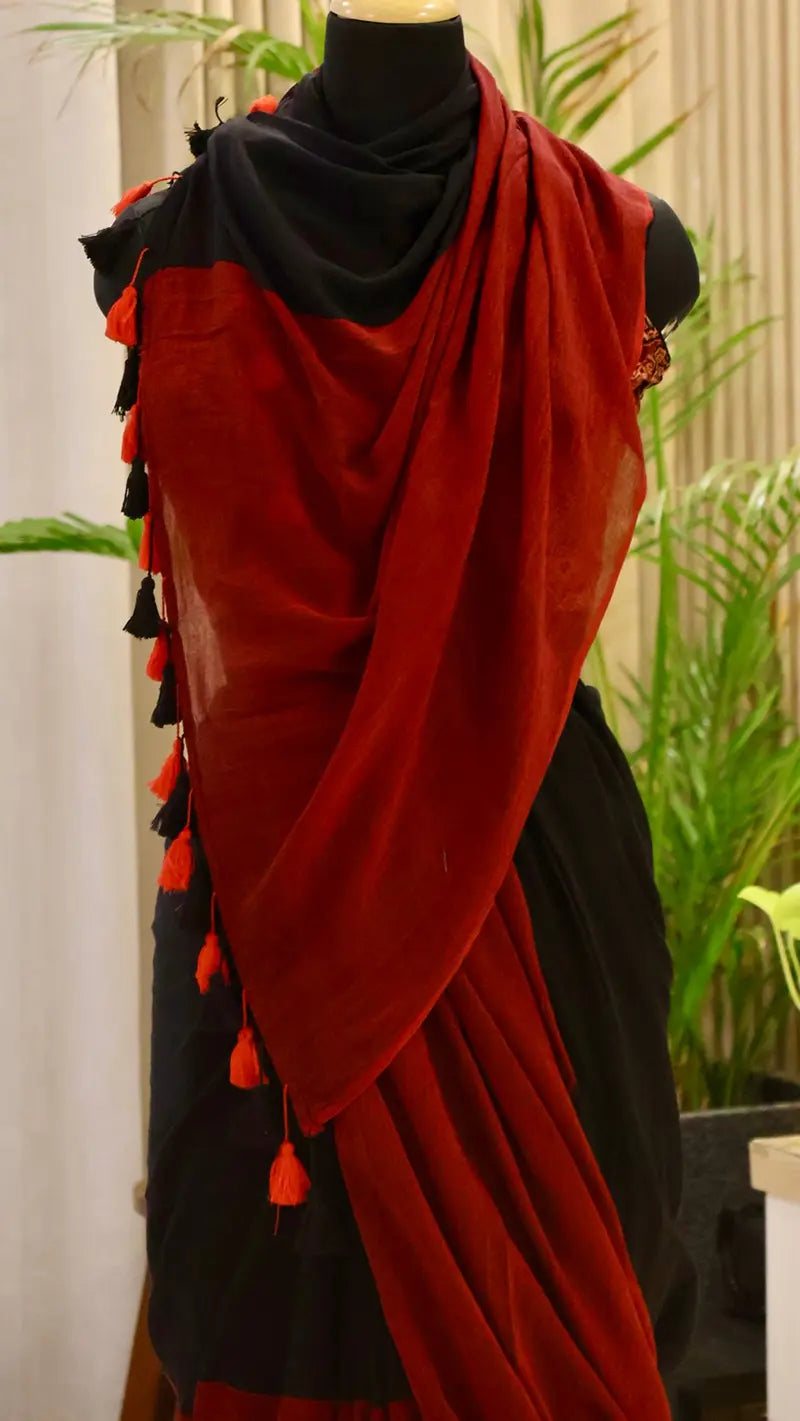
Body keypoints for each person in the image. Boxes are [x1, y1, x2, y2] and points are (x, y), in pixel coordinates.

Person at [84, 6, 700, 1417]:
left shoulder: (609, 238)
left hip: (510, 873)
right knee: (271, 1299)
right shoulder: (185, 229)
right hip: (297, 911)